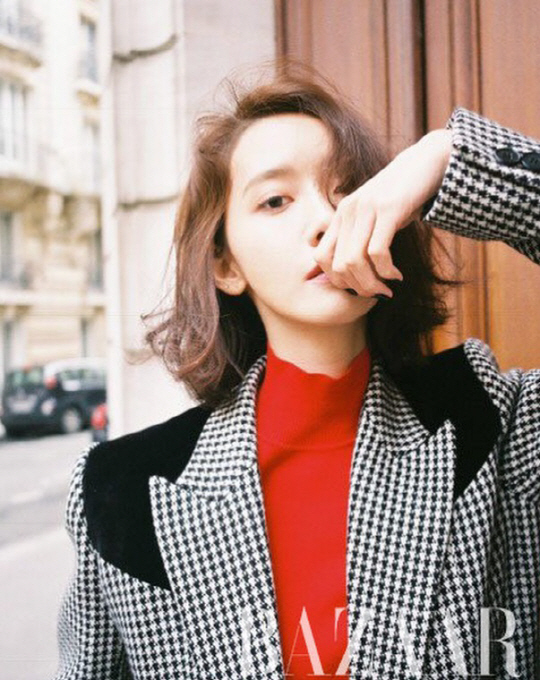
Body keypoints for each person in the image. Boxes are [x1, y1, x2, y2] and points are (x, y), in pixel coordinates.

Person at [52, 59, 540, 679]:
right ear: (227, 265)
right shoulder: (121, 492)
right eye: (276, 200)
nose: (325, 220)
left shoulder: (494, 422)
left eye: (347, 190)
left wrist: (448, 159)